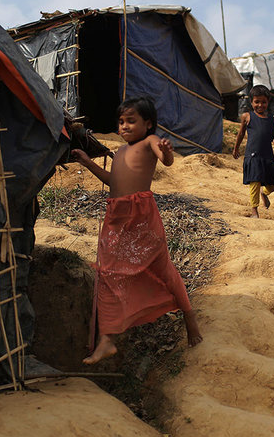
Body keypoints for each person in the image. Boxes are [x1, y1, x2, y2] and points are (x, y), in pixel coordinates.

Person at [71, 96, 203, 364]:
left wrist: (166, 151)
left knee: (162, 269)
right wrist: (87, 162)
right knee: (107, 273)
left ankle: (190, 318)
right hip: (116, 217)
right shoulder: (119, 152)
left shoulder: (149, 142)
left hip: (140, 216)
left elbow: (166, 161)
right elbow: (112, 181)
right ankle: (107, 339)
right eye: (121, 122)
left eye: (131, 121)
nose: (124, 126)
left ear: (148, 124)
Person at [232, 85, 274, 218]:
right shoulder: (247, 116)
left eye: (263, 102)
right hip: (253, 155)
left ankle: (264, 193)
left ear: (268, 102)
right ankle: (254, 210)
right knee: (254, 182)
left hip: (267, 155)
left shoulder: (271, 118)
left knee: (273, 183)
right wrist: (236, 148)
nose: (260, 105)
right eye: (256, 102)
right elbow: (241, 134)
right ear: (251, 102)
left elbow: (272, 135)